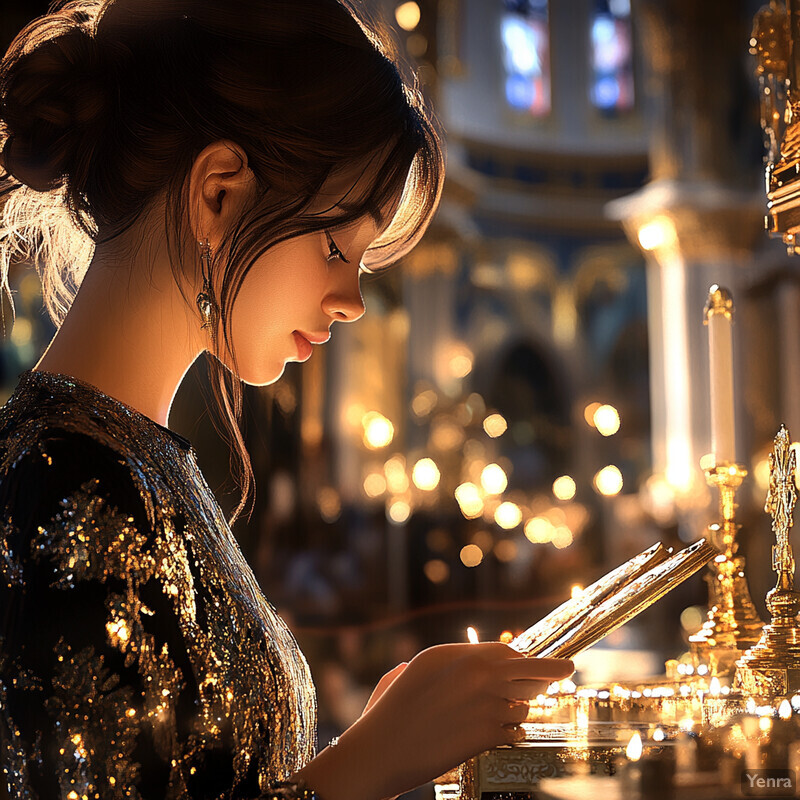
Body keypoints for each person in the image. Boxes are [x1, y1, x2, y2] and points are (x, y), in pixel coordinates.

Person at [0, 1, 574, 799]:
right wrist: (371, 760)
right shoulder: (66, 485)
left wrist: (378, 743)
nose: (352, 302)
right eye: (339, 246)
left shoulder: (141, 461)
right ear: (219, 195)